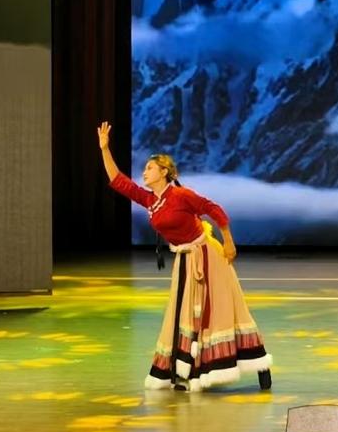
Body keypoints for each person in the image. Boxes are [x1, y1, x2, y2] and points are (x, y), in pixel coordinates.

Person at [97, 122, 273, 392]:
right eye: (145, 168)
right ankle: (187, 370)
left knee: (221, 310)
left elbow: (214, 210)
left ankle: (259, 363)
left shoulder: (181, 195)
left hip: (207, 255)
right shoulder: (151, 200)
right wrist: (105, 149)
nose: (144, 172)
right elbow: (119, 181)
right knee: (185, 315)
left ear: (164, 172)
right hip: (185, 259)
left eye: (150, 168)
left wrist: (228, 242)